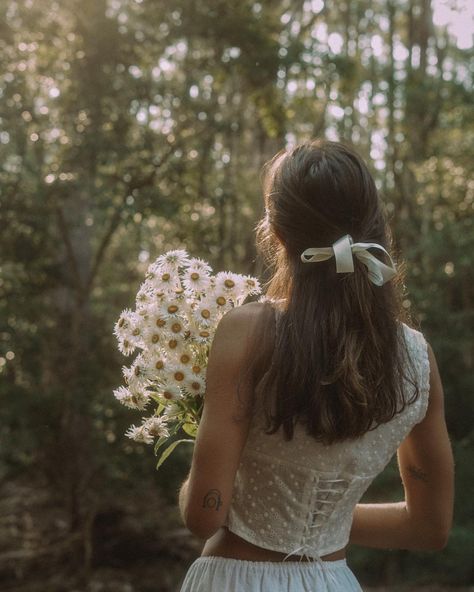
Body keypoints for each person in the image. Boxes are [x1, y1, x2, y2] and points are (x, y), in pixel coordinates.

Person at [177, 139, 454, 591]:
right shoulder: (418, 359)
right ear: (374, 227)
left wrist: (200, 481)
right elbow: (429, 528)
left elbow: (204, 516)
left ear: (277, 233)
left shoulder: (246, 331)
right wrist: (328, 518)